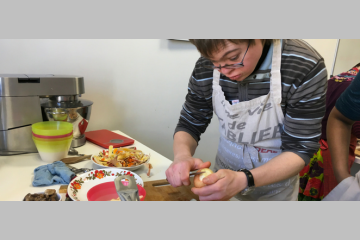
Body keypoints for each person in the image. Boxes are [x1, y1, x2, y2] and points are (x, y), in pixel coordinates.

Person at [165, 39, 328, 201]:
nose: (224, 71)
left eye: (234, 57)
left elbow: (300, 148)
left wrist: (244, 179)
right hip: (220, 183)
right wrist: (182, 155)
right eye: (214, 62)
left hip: (275, 191)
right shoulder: (207, 66)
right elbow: (190, 122)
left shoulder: (303, 66)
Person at [298, 63, 360, 201]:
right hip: (332, 154)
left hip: (310, 148)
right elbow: (356, 125)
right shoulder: (353, 84)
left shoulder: (334, 80)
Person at [322, 70, 360, 201]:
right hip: (334, 149)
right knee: (329, 190)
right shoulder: (354, 81)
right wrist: (344, 178)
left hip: (318, 145)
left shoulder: (337, 78)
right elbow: (354, 124)